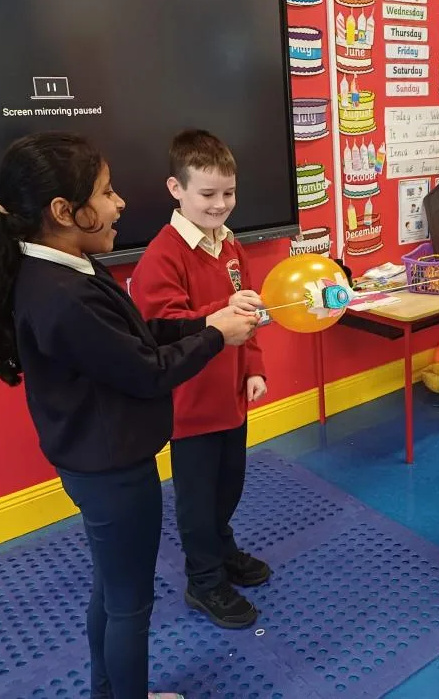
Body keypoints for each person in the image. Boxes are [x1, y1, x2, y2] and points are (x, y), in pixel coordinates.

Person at [0, 132, 259, 699]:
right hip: (111, 469)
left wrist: (205, 324)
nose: (120, 203)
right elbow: (147, 371)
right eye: (105, 192)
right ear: (63, 212)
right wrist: (215, 337)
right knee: (129, 604)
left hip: (103, 459)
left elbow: (135, 339)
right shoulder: (61, 294)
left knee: (112, 588)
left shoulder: (69, 267)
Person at [130, 130, 269, 630]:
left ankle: (222, 548)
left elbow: (250, 313)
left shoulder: (231, 245)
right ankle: (204, 579)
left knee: (229, 486)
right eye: (207, 193)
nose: (220, 204)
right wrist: (222, 310)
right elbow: (163, 326)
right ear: (177, 189)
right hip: (190, 406)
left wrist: (253, 366)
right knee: (197, 500)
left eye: (228, 192)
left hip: (230, 395)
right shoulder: (162, 255)